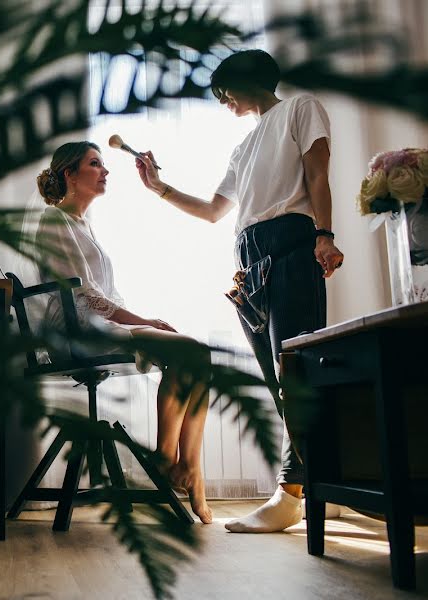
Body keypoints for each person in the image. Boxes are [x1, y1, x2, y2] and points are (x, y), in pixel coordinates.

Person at [134, 49, 345, 533]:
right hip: (248, 259)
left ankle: (294, 491)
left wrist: (325, 235)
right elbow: (212, 211)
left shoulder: (300, 108)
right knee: (277, 377)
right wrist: (158, 188)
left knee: (297, 373)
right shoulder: (242, 148)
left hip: (291, 242)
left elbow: (317, 173)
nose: (222, 100)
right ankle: (300, 489)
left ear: (241, 81)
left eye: (223, 91)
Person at [36, 141, 213, 524]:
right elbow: (84, 294)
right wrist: (143, 322)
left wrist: (141, 320)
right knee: (192, 352)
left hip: (99, 323)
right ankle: (170, 463)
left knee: (195, 354)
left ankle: (185, 467)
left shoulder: (86, 226)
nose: (105, 171)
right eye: (95, 164)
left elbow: (105, 294)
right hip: (76, 331)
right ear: (69, 174)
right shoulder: (54, 220)